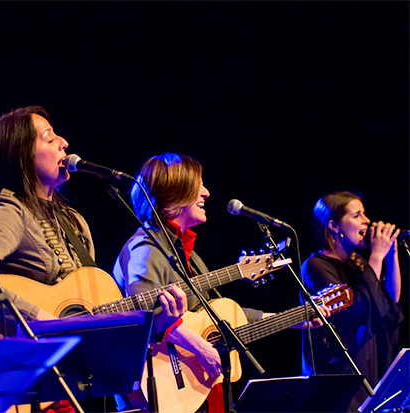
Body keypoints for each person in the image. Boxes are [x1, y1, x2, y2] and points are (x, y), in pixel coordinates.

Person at [0, 106, 188, 413]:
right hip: (30, 383)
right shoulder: (10, 211)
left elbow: (95, 320)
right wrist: (37, 316)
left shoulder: (74, 222)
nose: (63, 142)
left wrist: (158, 323)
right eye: (49, 139)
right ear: (21, 155)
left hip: (72, 386)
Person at [113, 153, 327, 412]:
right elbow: (142, 312)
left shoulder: (185, 254)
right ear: (175, 191)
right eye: (198, 185)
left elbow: (220, 317)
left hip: (196, 395)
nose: (206, 193)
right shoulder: (144, 249)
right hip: (159, 393)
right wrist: (200, 348)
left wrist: (294, 319)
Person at [301, 191, 403, 412]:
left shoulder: (357, 265)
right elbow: (355, 311)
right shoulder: (316, 265)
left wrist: (391, 254)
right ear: (334, 226)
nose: (367, 220)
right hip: (340, 378)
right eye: (357, 215)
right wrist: (376, 257)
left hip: (368, 366)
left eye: (364, 214)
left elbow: (389, 300)